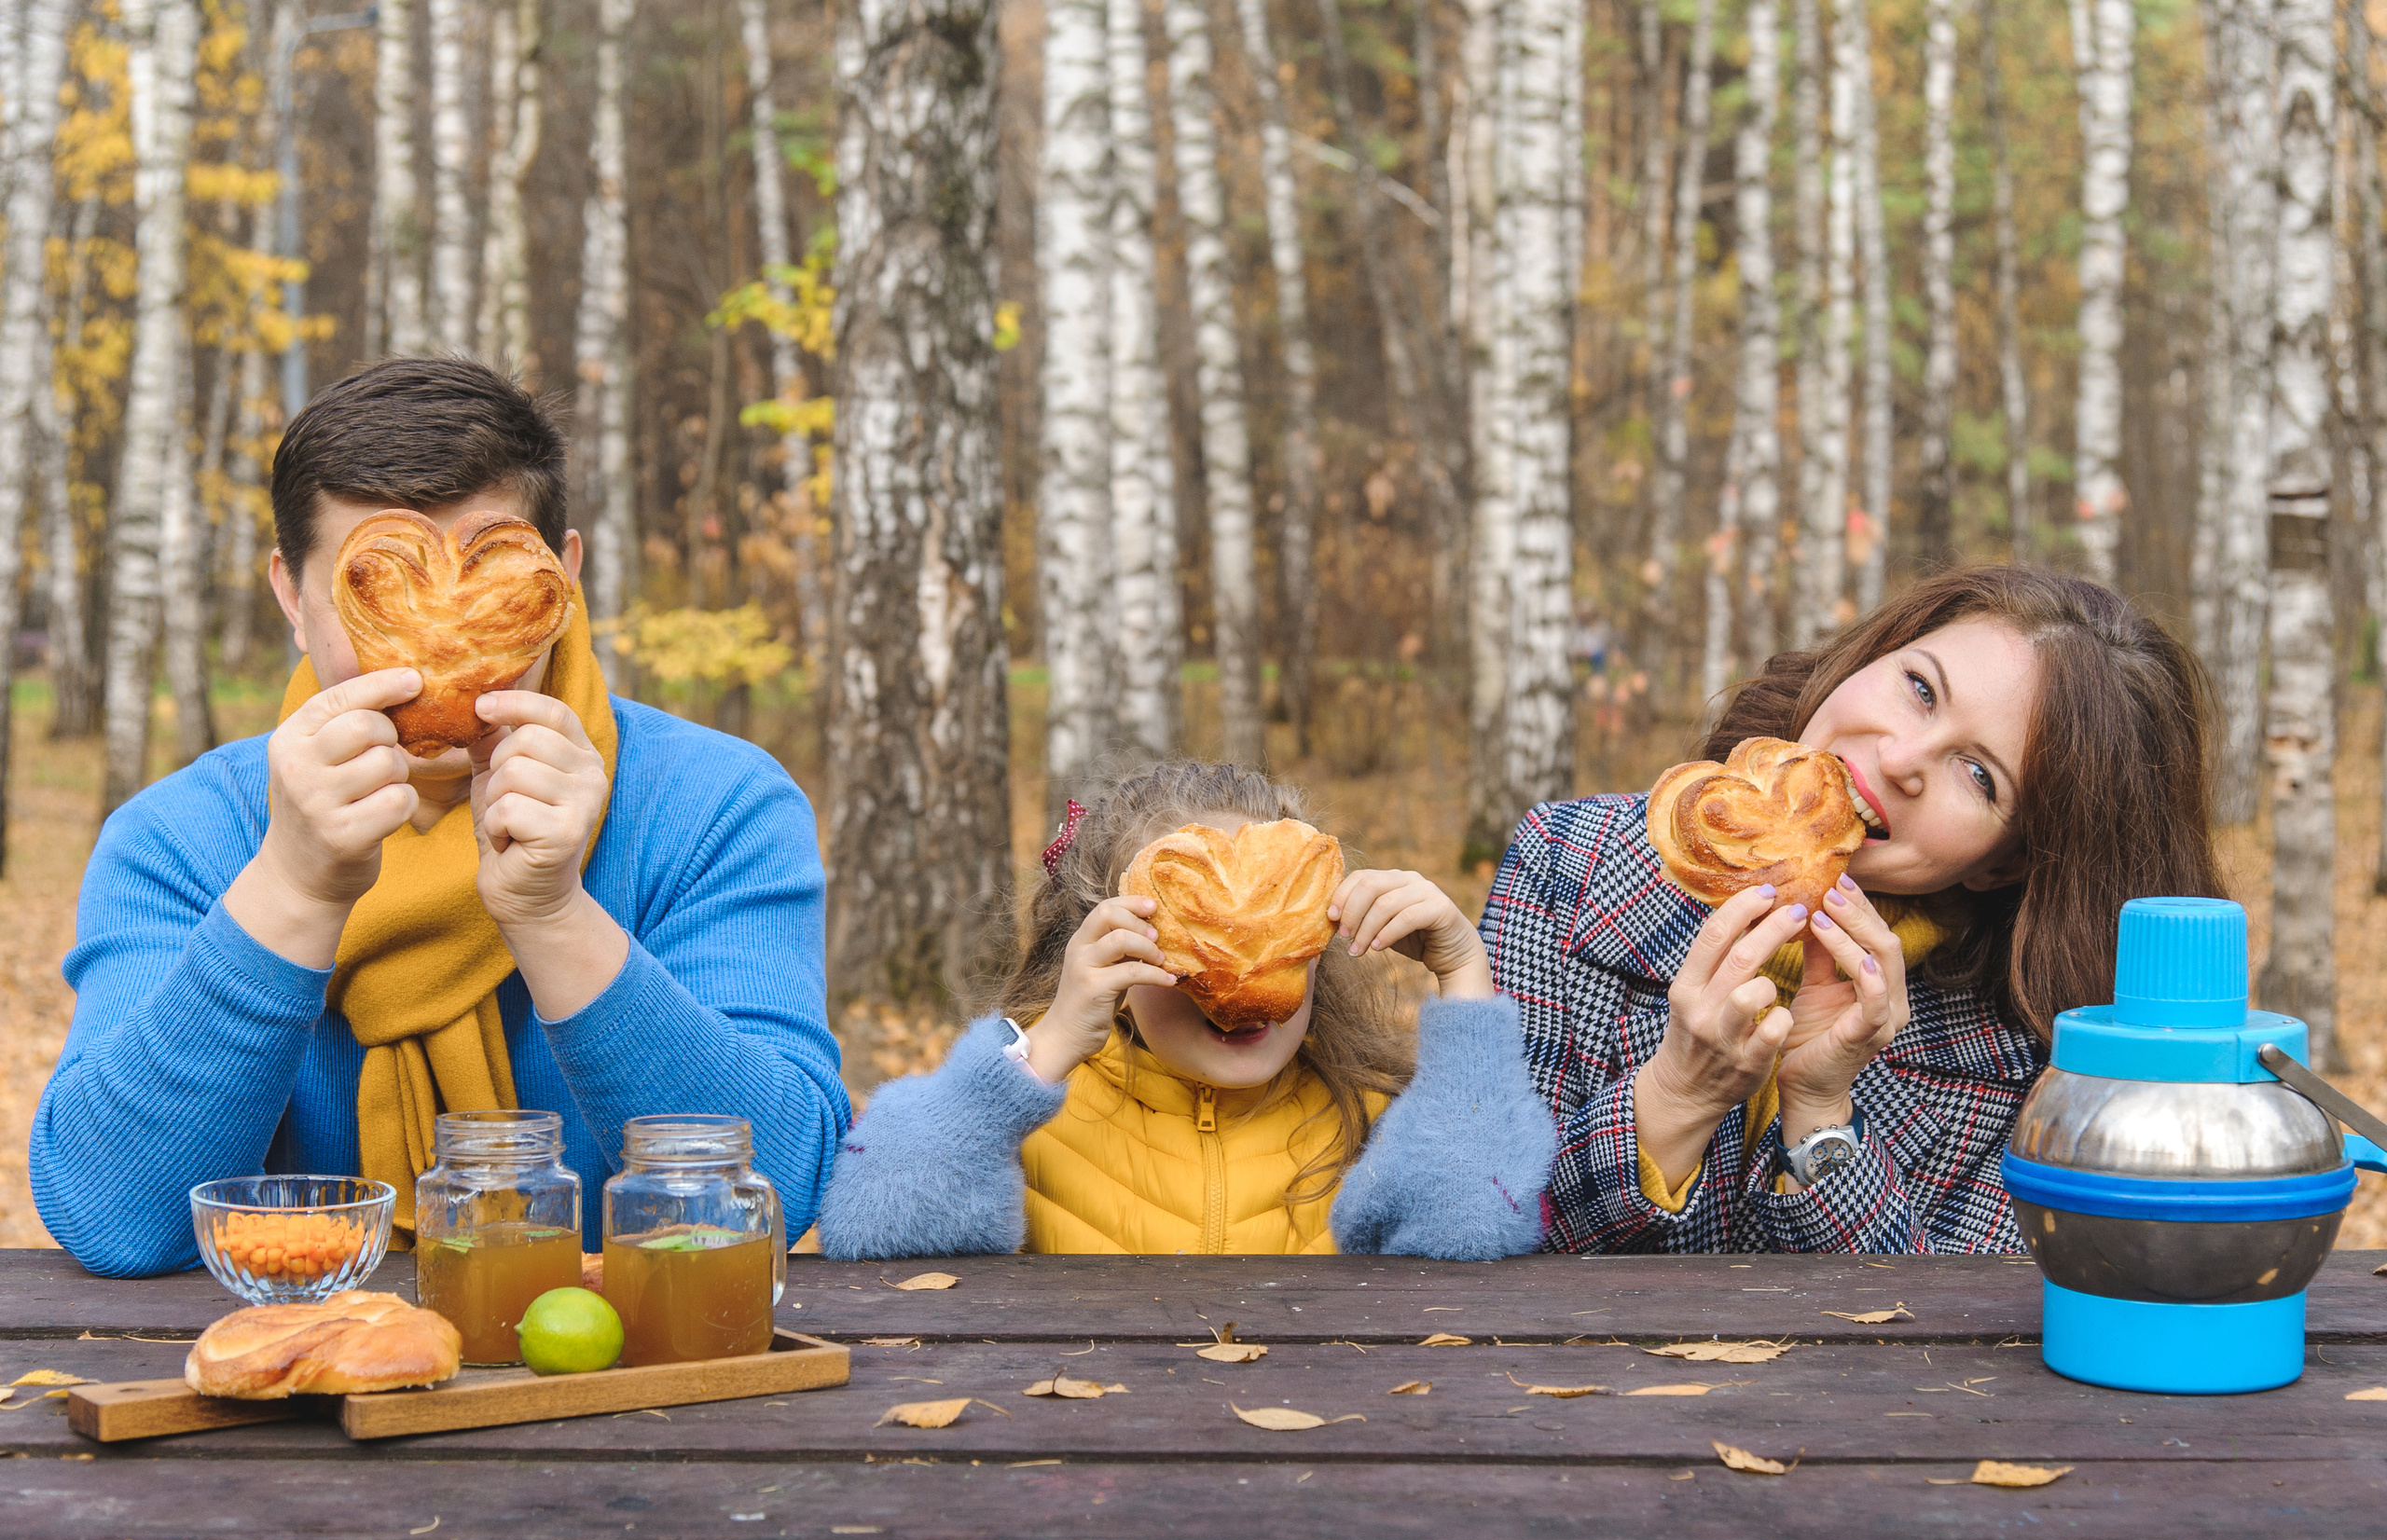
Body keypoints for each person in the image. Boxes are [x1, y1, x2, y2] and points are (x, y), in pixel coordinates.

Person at [32, 357, 848, 1276]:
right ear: (292, 597)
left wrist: (553, 915)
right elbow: (114, 1218)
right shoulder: (179, 838)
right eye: (377, 591)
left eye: (487, 580)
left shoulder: (715, 809)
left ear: (561, 580)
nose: (436, 647)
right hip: (297, 1388)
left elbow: (776, 1187)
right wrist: (293, 889)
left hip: (619, 1382)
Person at [1481, 566, 2219, 1255]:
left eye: (1978, 776)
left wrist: (1824, 1117)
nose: (1901, 759)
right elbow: (1471, 1239)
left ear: (2007, 864)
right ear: (1869, 658)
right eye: (1920, 689)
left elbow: (1943, 1360)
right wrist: (1675, 1098)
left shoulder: (2038, 1068)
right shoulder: (1567, 870)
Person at [817, 762, 1554, 1259]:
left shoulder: (1369, 1117)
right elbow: (867, 1227)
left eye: (1278, 935)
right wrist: (1044, 1049)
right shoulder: (1029, 1119)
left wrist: (1464, 974)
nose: (1233, 986)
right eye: (1189, 940)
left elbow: (1474, 1231)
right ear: (1103, 959)